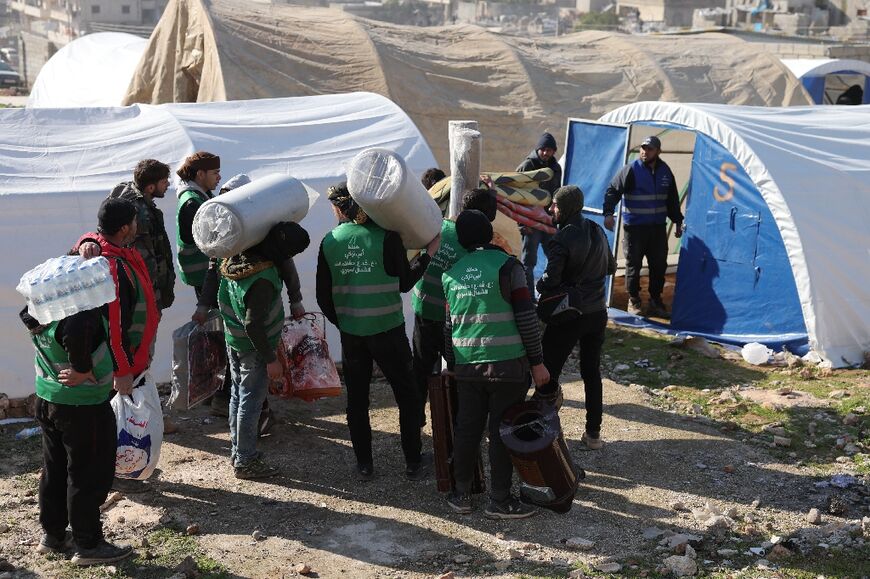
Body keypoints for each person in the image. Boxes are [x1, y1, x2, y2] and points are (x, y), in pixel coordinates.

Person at [316, 183, 439, 481]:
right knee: (407, 396)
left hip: (353, 336)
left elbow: (323, 296)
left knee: (357, 401)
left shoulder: (329, 241)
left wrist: (344, 321)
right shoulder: (386, 238)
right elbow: (405, 282)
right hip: (388, 332)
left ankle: (364, 464)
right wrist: (426, 255)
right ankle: (412, 460)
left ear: (338, 208)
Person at [442, 209, 550, 519]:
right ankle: (500, 500)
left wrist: (452, 362)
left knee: (467, 430)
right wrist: (538, 362)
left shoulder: (451, 274)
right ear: (489, 234)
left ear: (461, 240)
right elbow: (526, 318)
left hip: (467, 369)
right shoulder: (508, 267)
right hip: (507, 369)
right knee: (503, 432)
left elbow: (448, 328)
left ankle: (460, 494)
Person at [22, 303, 135, 566]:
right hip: (82, 405)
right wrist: (82, 367)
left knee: (56, 469)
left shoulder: (43, 305)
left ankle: (53, 535)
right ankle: (88, 544)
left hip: (49, 399)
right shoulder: (80, 310)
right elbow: (77, 329)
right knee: (87, 474)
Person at [195, 174, 306, 433]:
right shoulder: (230, 233)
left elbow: (286, 265)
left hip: (240, 330)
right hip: (249, 332)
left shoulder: (263, 231)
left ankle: (244, 438)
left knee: (242, 389)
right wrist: (203, 305)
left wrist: (296, 299)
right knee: (249, 392)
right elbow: (215, 271)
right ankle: (247, 444)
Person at [79, 159, 179, 433]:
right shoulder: (134, 213)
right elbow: (105, 240)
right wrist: (88, 241)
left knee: (141, 358)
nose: (168, 185)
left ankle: (140, 416)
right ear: (150, 185)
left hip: (147, 294)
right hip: (136, 299)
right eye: (163, 182)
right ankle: (134, 420)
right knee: (136, 360)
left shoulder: (135, 205)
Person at [72, 199, 161, 491]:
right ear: (124, 228)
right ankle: (112, 471)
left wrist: (89, 238)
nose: (138, 225)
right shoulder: (112, 266)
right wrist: (121, 369)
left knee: (112, 418)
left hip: (126, 358)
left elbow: (95, 239)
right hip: (119, 362)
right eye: (134, 221)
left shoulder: (116, 251)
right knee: (109, 421)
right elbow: (114, 324)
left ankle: (114, 467)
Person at [218, 222, 310, 479]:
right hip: (255, 349)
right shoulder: (263, 279)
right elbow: (253, 323)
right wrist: (271, 359)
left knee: (237, 395)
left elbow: (224, 302)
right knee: (251, 401)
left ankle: (238, 451)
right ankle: (246, 461)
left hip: (234, 341)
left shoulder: (234, 260)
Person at [536, 186, 615, 449]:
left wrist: (541, 285)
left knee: (548, 371)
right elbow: (611, 266)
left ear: (567, 207)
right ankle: (593, 434)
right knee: (591, 373)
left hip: (570, 314)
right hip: (597, 314)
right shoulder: (597, 230)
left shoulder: (563, 238)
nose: (551, 210)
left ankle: (545, 435)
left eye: (556, 206)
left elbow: (552, 279)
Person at [411, 186, 497, 426]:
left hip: (423, 311)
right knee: (458, 374)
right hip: (455, 322)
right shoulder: (471, 246)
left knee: (421, 369)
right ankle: (456, 424)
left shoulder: (437, 227)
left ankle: (415, 421)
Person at [603, 135, 683, 317]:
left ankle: (655, 301)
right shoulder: (630, 170)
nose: (645, 152)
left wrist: (677, 221)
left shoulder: (665, 171)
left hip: (657, 229)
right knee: (633, 265)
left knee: (658, 266)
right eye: (643, 148)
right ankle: (634, 301)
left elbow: (672, 199)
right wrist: (608, 213)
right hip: (635, 229)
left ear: (658, 151)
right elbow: (612, 191)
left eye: (649, 149)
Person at [517, 132, 562, 296]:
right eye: (543, 149)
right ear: (538, 149)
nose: (545, 153)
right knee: (528, 263)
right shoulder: (527, 166)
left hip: (548, 221)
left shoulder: (556, 168)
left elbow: (557, 194)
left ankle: (551, 293)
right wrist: (522, 223)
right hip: (530, 222)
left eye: (549, 150)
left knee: (555, 258)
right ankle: (527, 297)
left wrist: (556, 220)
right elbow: (515, 196)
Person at [175, 151, 221, 295]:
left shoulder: (202, 196)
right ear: (201, 174)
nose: (219, 177)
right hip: (204, 275)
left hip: (208, 273)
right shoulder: (192, 202)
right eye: (215, 173)